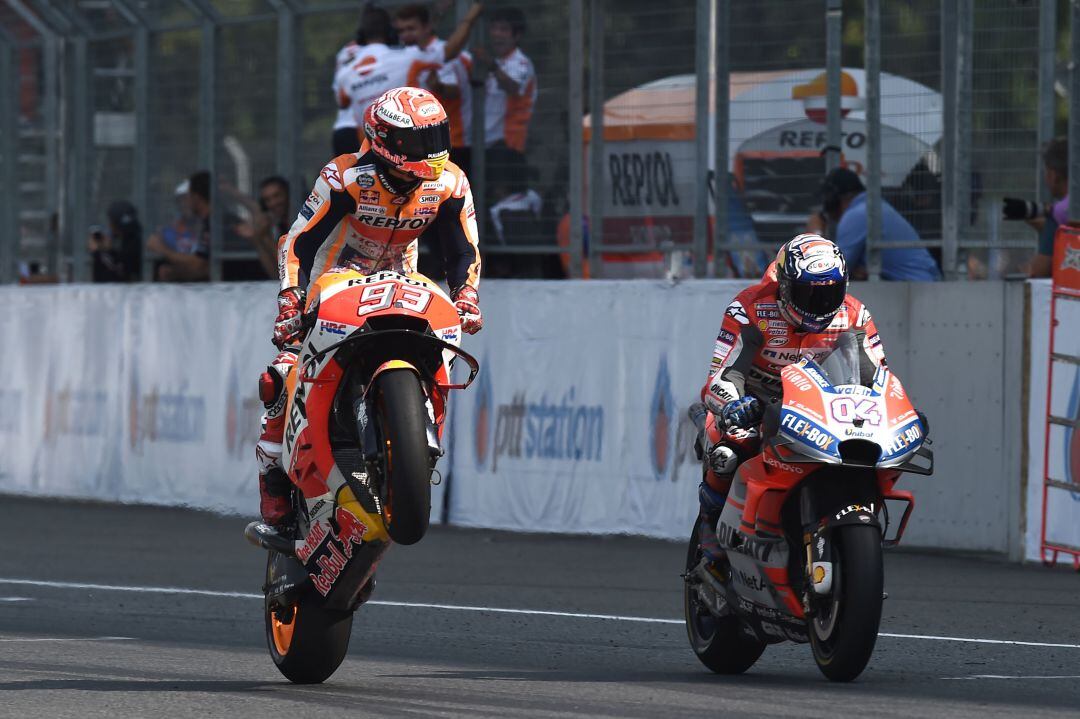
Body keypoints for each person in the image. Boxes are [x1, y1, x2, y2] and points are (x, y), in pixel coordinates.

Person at [257, 86, 483, 527]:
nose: (432, 150)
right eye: (419, 141)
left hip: (403, 279)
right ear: (385, 139)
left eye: (437, 135)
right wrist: (290, 298)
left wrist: (467, 295)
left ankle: (415, 437)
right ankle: (273, 482)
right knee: (284, 371)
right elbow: (298, 242)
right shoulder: (344, 176)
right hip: (332, 280)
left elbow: (464, 250)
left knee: (438, 338)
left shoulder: (450, 181)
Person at [693, 234, 889, 562]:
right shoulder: (750, 308)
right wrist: (734, 404)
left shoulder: (855, 315)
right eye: (808, 293)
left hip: (821, 405)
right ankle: (709, 528)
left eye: (830, 293)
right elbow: (722, 374)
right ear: (784, 286)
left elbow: (877, 376)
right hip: (754, 402)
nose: (820, 303)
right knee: (729, 448)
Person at [332, 2, 482, 155]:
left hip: (369, 149)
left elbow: (342, 103)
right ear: (392, 34)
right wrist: (473, 13)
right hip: (405, 145)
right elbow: (450, 50)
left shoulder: (346, 72)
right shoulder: (407, 58)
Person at [395, 3, 474, 175]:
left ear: (427, 27)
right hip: (426, 140)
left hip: (453, 140)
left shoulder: (439, 53)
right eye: (401, 31)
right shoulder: (413, 55)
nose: (406, 35)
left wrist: (437, 86)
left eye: (411, 28)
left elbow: (453, 90)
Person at [821, 167, 941, 281]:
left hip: (916, 290)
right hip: (919, 284)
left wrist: (815, 234)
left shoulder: (857, 214)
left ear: (834, 198)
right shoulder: (870, 207)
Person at [472, 7, 536, 166]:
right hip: (486, 143)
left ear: (517, 35)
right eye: (494, 28)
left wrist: (490, 65)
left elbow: (512, 87)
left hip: (508, 144)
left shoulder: (520, 62)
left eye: (504, 29)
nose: (497, 34)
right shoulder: (499, 63)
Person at [1005, 137, 1068, 278]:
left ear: (1054, 176)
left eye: (1046, 172)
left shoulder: (1059, 213)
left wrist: (1023, 270)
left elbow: (1038, 270)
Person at [88, 200, 142, 282]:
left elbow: (119, 273)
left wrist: (99, 253)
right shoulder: (126, 240)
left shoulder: (132, 243)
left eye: (112, 221)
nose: (110, 225)